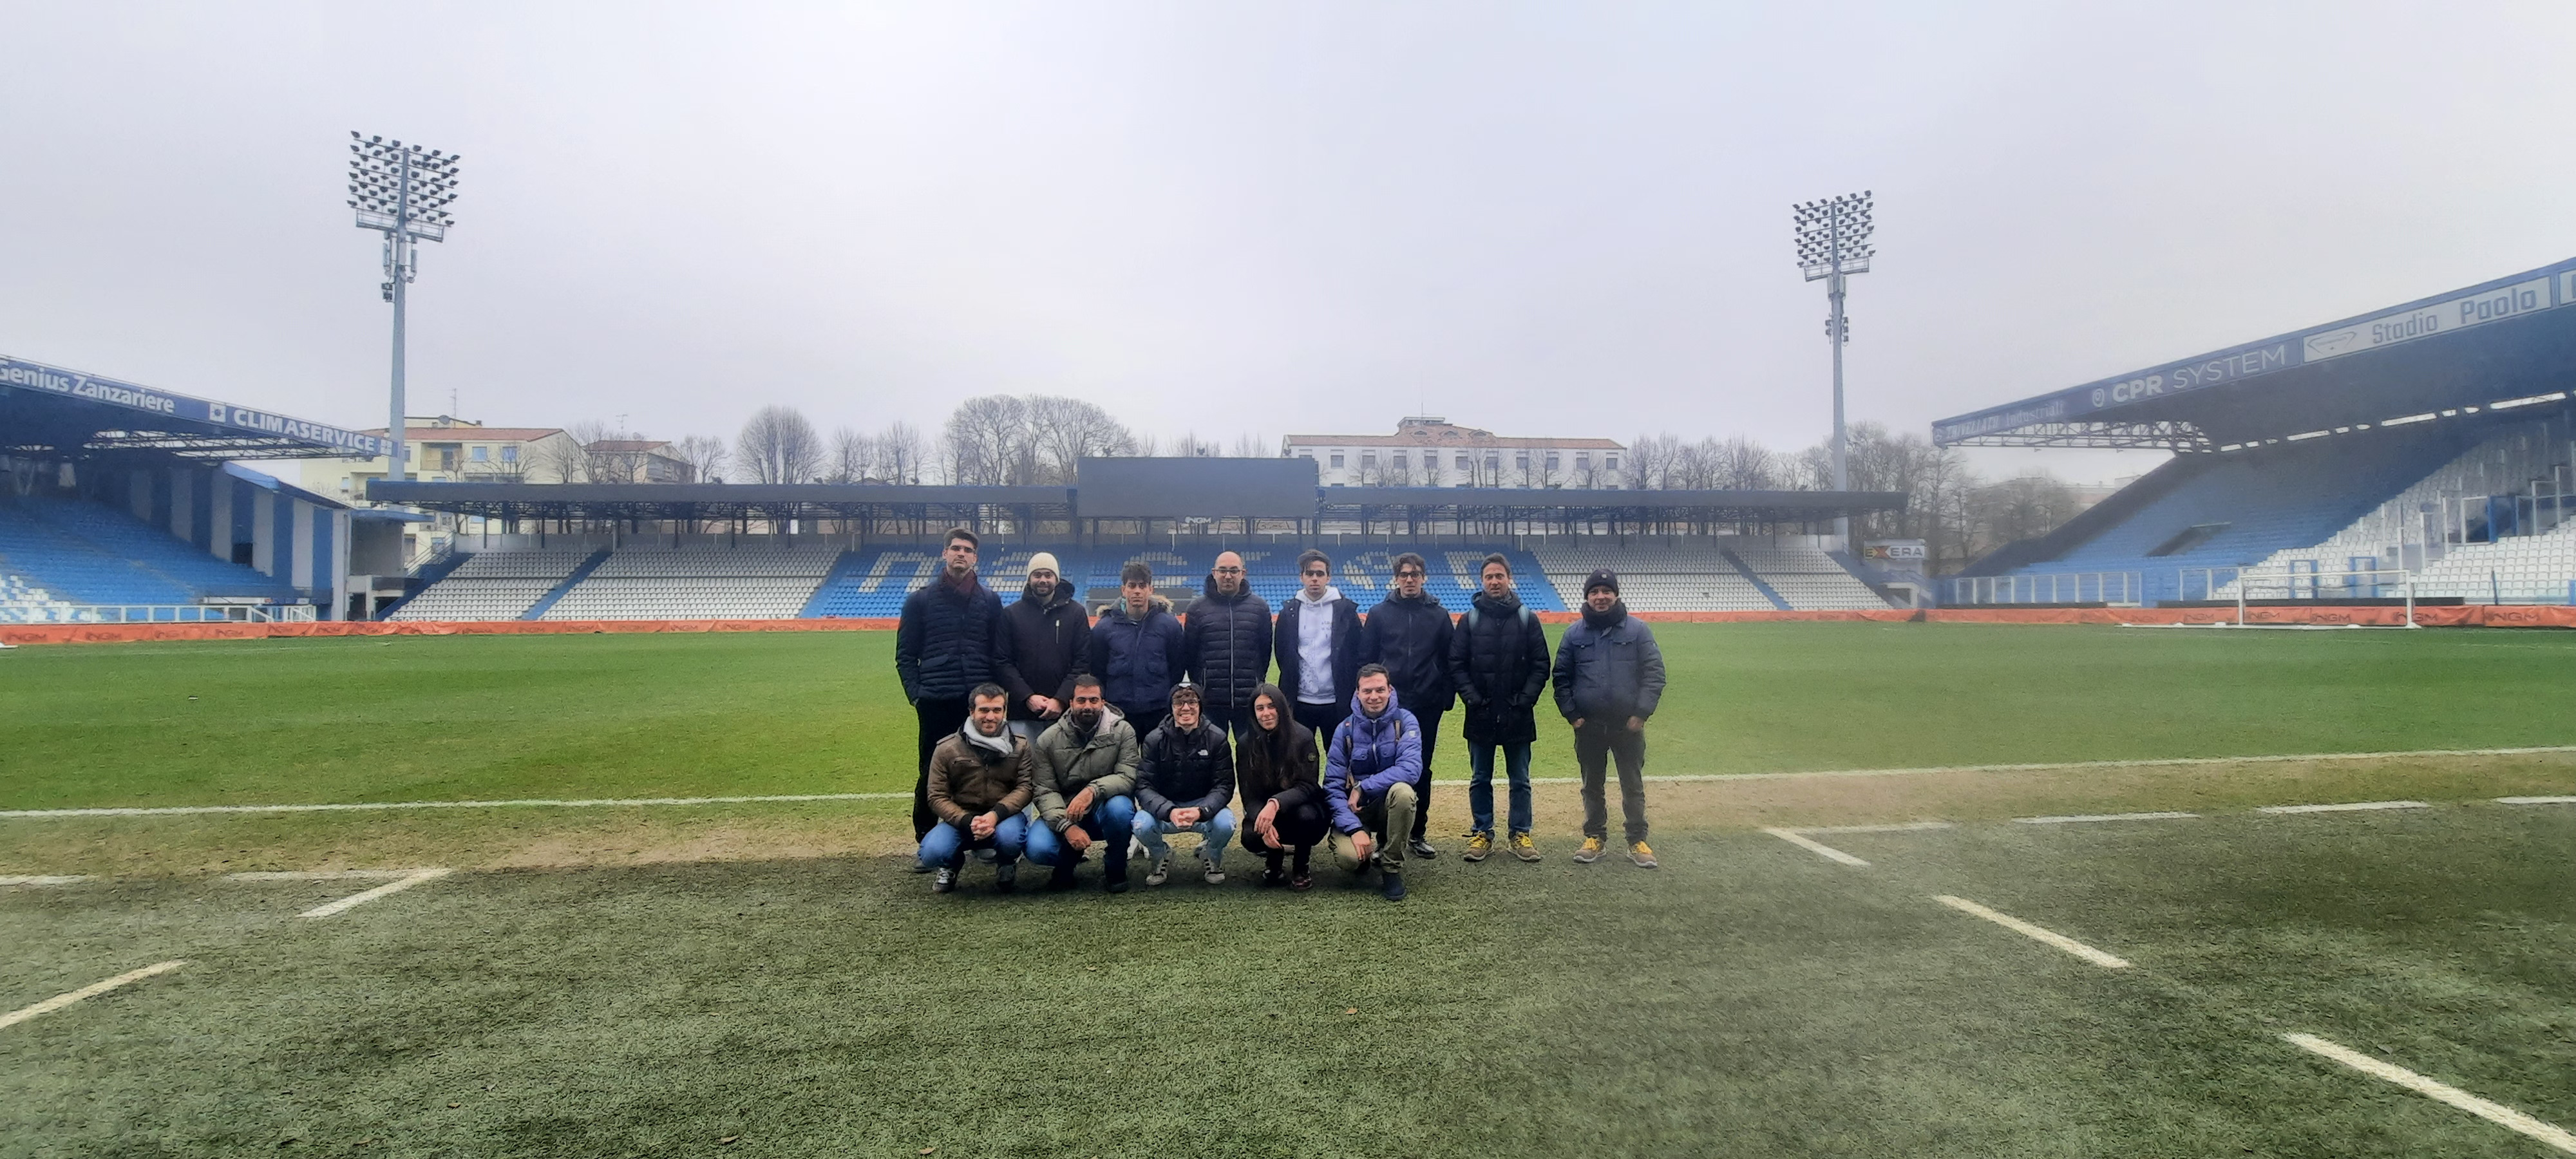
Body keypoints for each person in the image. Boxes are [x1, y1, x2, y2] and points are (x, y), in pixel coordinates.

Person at [896, 527, 1005, 844]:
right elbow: (905, 655)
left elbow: (997, 654)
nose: (961, 554)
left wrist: (995, 697)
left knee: (983, 768)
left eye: (968, 550)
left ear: (975, 557)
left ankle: (980, 838)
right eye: (955, 548)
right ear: (944, 553)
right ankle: (927, 836)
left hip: (978, 703)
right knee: (932, 769)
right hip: (935, 700)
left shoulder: (989, 601)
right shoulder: (920, 601)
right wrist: (916, 695)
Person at [1553, 569, 1667, 869]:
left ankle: (1637, 840)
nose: (1600, 597)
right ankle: (1595, 838)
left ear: (1616, 595)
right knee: (1592, 785)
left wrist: (1641, 713)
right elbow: (1561, 678)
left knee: (1632, 784)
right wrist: (1574, 717)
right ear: (1587, 597)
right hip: (1588, 726)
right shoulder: (1574, 634)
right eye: (1594, 592)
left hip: (1627, 726)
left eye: (1606, 591)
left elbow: (1654, 674)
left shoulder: (1638, 631)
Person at [1449, 553, 1549, 863]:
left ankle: (1520, 833)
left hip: (1518, 714)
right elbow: (1456, 665)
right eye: (1489, 577)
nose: (1495, 582)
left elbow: (1541, 665)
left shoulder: (1527, 618)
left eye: (1499, 576)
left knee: (1520, 779)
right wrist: (1473, 699)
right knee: (1480, 777)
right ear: (1482, 582)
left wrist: (1525, 700)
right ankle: (1483, 832)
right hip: (1480, 714)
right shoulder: (1469, 620)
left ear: (1509, 579)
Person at [1358, 551, 1454, 859]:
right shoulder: (1379, 613)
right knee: (1385, 767)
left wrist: (1444, 696)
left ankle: (1417, 832)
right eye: (1404, 575)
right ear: (1396, 578)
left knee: (1421, 769)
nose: (1410, 580)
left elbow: (1450, 659)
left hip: (1426, 705)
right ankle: (1385, 834)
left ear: (1423, 577)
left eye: (1415, 574)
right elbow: (1367, 660)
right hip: (1389, 707)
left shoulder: (1439, 615)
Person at [1022, 675, 1141, 892]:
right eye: (1082, 700)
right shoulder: (1048, 739)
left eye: (1094, 700)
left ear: (1103, 702)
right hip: (1065, 809)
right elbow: (1044, 789)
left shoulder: (1124, 731)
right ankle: (1067, 864)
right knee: (1037, 848)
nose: (1088, 706)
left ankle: (1116, 868)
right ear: (1071, 703)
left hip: (1104, 807)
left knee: (1121, 809)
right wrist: (1066, 826)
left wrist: (1092, 791)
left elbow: (1128, 776)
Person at [918, 683, 1035, 893]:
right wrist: (967, 820)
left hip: (1005, 816)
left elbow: (1026, 787)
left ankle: (1007, 863)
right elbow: (936, 796)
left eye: (997, 710)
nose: (990, 717)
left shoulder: (1021, 746)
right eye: (984, 710)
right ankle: (951, 865)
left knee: (1011, 839)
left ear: (1005, 712)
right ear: (971, 712)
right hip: (961, 818)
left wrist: (995, 815)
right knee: (931, 853)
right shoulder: (946, 748)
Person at [1325, 664, 1421, 902]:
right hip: (1356, 812)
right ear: (1357, 693)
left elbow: (1411, 770)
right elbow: (1333, 786)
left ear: (1390, 690)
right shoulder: (1344, 730)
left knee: (1404, 792)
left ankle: (1391, 867)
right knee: (1350, 861)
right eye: (1367, 691)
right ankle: (1364, 854)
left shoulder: (1406, 721)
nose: (1374, 697)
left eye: (1380, 690)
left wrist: (1362, 787)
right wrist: (1354, 829)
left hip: (1389, 805)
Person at [1132, 682, 1237, 886]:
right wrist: (1168, 810)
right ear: (1171, 707)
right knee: (1141, 824)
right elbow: (1144, 786)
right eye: (1179, 702)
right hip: (1166, 808)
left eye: (1192, 701)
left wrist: (1201, 810)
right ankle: (1161, 855)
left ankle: (1211, 855)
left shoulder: (1217, 738)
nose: (1186, 708)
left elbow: (1224, 786)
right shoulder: (1154, 740)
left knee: (1227, 823)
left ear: (1200, 706)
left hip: (1203, 807)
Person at [1236, 683, 1327, 890]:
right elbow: (1248, 795)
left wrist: (1275, 803)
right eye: (1260, 708)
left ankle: (1301, 865)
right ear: (1253, 713)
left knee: (1308, 818)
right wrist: (1263, 821)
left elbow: (1309, 786)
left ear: (1282, 708)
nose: (1266, 713)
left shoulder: (1303, 737)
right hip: (1266, 811)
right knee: (1250, 836)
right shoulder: (1244, 744)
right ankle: (1274, 858)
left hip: (1301, 808)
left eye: (1272, 706)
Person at [994, 552, 1091, 744]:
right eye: (1037, 575)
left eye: (1048, 575)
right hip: (1022, 713)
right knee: (1023, 770)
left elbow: (1083, 661)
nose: (1043, 580)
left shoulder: (1076, 613)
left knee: (1063, 772)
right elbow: (1002, 662)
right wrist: (1027, 697)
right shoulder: (1011, 614)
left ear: (1057, 578)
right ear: (1029, 579)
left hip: (1065, 714)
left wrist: (1061, 699)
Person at [1182, 550, 1272, 740]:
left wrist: (1256, 680)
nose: (1228, 576)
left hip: (1248, 699)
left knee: (1251, 757)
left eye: (1234, 570)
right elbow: (1190, 654)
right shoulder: (1197, 609)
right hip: (1211, 701)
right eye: (1222, 571)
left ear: (1243, 573)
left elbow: (1265, 652)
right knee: (1211, 757)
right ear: (1214, 573)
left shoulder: (1259, 608)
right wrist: (1203, 684)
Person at [1274, 549, 1361, 742]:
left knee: (1342, 757)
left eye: (1320, 574)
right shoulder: (1289, 612)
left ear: (1328, 577)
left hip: (1337, 701)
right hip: (1300, 702)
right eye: (1310, 574)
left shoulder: (1346, 611)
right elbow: (1282, 654)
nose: (1315, 578)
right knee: (1298, 761)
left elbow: (1357, 651)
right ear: (1301, 577)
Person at [1088, 560, 1187, 728]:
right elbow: (1098, 669)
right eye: (1132, 586)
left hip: (1158, 711)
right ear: (1123, 590)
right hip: (1118, 711)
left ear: (1150, 589)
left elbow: (1177, 667)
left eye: (1142, 586)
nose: (1137, 591)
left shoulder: (1169, 625)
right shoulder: (1104, 628)